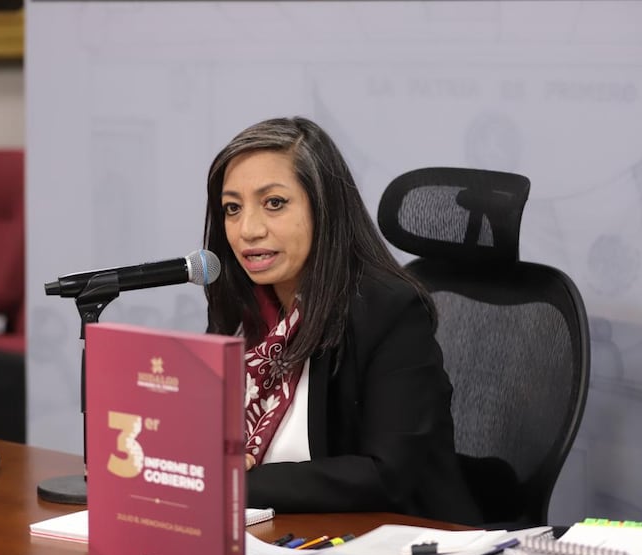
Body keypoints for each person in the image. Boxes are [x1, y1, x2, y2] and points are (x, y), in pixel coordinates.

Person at [203, 116, 481, 525]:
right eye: (232, 208)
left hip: (394, 545)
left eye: (274, 203)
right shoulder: (239, 312)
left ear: (324, 207)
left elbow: (386, 474)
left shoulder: (388, 311)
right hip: (274, 532)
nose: (249, 229)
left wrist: (236, 484)